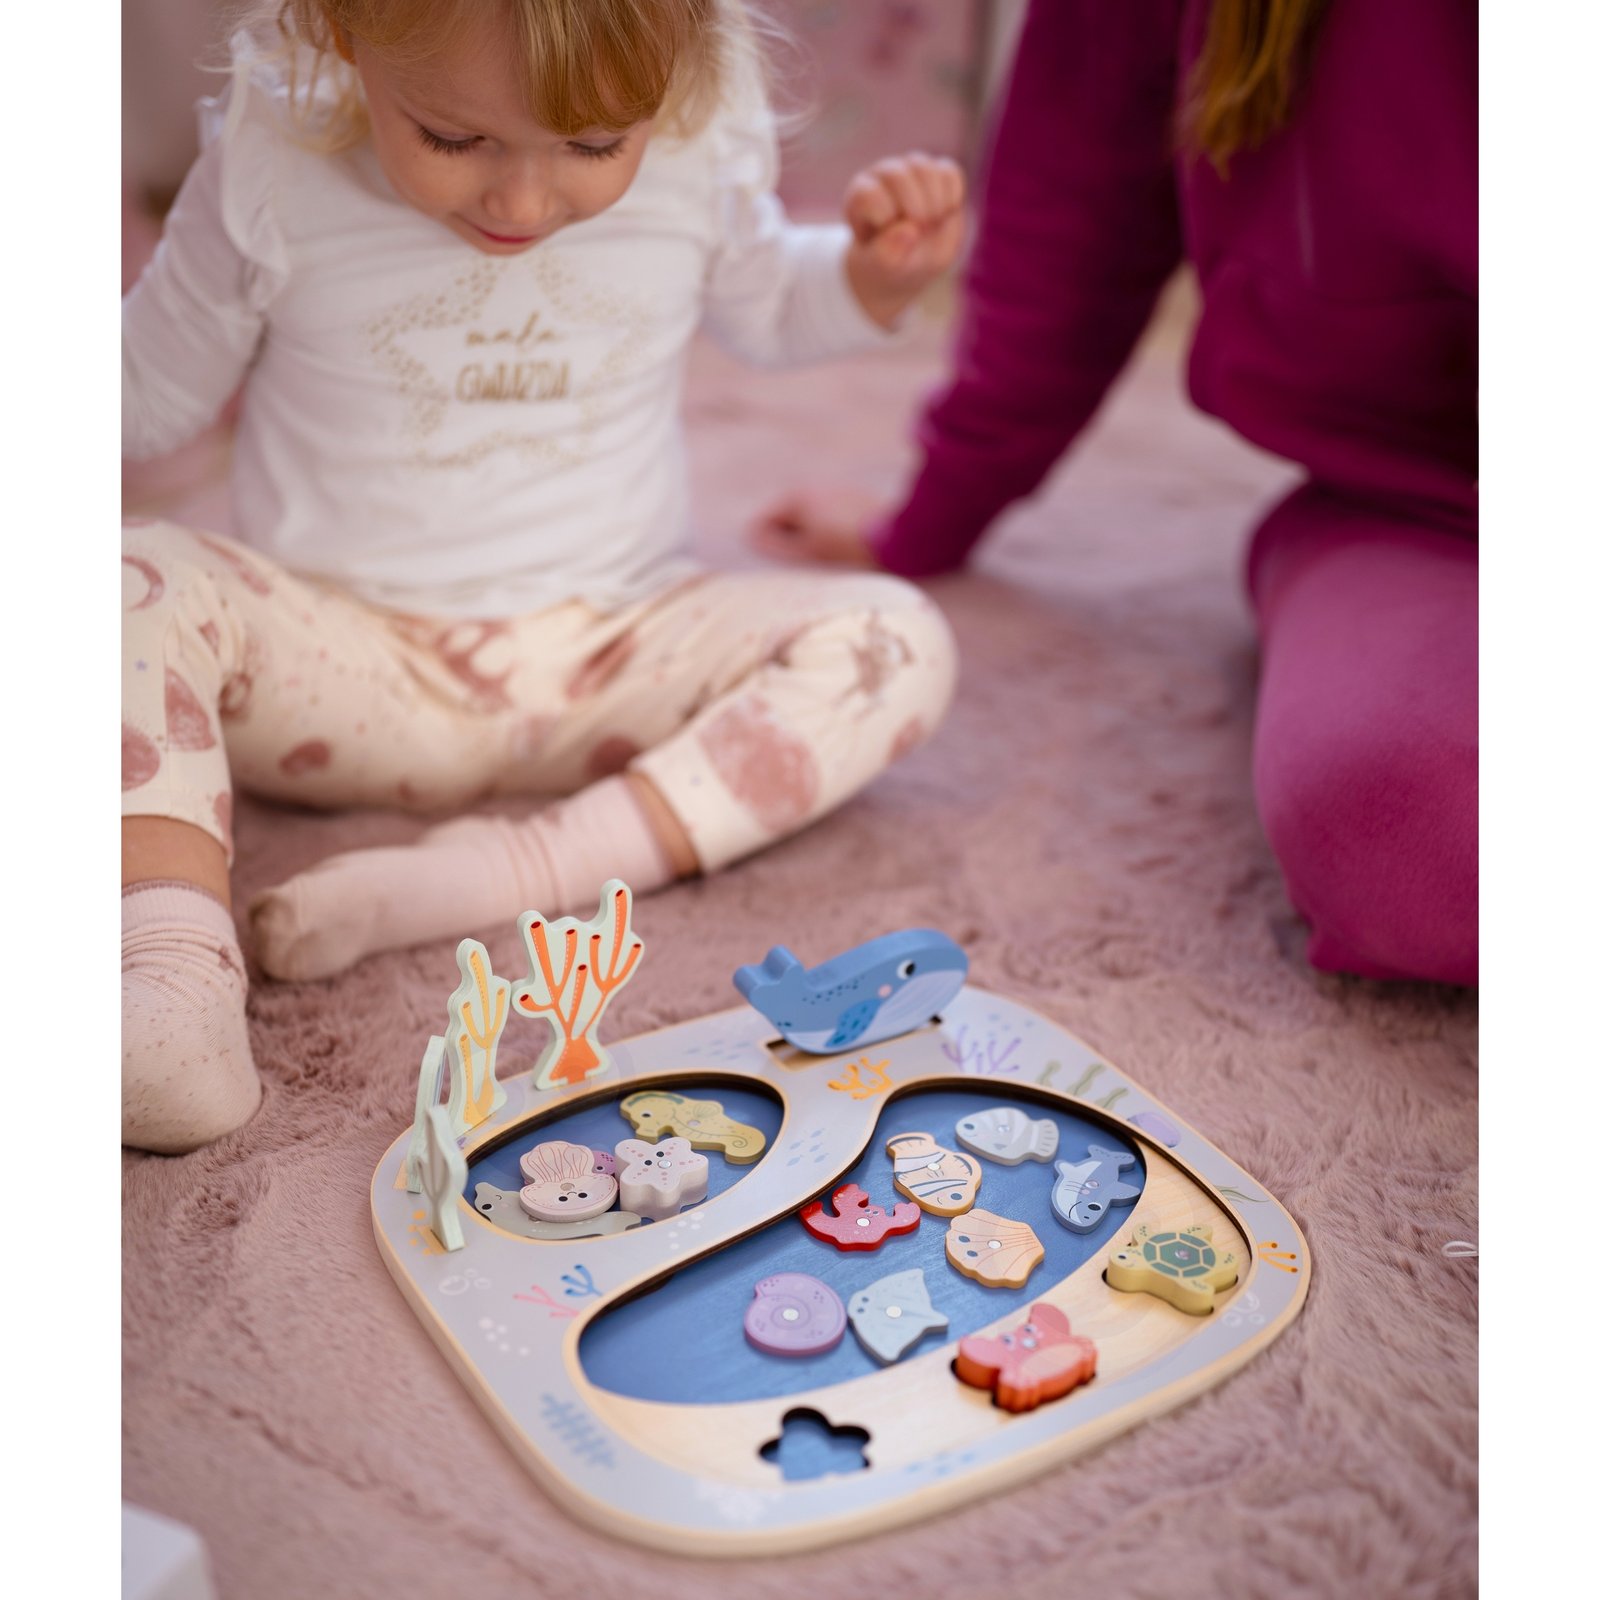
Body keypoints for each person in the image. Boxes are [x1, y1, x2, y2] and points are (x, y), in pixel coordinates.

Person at [122, 0, 967, 1152]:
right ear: (345, 33)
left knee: (894, 640)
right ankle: (173, 989)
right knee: (121, 578)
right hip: (344, 670)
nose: (522, 203)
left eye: (592, 146)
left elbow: (772, 304)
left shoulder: (697, 133)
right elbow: (145, 397)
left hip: (608, 659)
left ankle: (507, 872)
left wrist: (871, 274)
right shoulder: (275, 159)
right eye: (453, 138)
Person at [753, 0, 1478, 988]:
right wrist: (927, 516)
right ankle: (1329, 550)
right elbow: (1071, 215)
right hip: (1424, 503)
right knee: (1415, 842)